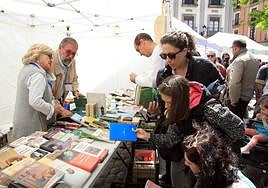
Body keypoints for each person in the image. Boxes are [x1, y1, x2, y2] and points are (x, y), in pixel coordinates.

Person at [136, 75, 196, 188]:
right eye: (164, 101)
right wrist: (154, 113)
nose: (166, 105)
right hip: (175, 156)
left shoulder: (183, 115)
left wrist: (148, 136)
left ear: (180, 100)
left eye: (169, 102)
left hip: (181, 158)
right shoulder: (175, 106)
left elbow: (170, 139)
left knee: (179, 183)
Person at [13, 44, 69, 140]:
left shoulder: (26, 69)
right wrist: (52, 109)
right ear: (38, 55)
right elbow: (35, 101)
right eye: (49, 56)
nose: (52, 60)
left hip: (22, 124)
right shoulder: (37, 74)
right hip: (32, 127)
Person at [184, 127, 256, 188]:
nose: (185, 163)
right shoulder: (218, 172)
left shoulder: (237, 186)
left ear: (204, 165)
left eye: (189, 163)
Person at [226, 39, 258, 119]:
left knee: (233, 124)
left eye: (232, 49)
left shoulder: (239, 60)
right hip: (247, 96)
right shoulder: (253, 58)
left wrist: (233, 100)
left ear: (235, 48)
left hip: (238, 98)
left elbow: (234, 83)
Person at [52, 37, 84, 114]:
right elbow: (47, 90)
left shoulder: (72, 61)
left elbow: (74, 79)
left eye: (74, 53)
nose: (70, 56)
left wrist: (75, 90)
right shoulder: (51, 60)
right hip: (51, 103)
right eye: (68, 52)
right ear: (60, 48)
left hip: (63, 101)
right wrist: (56, 105)